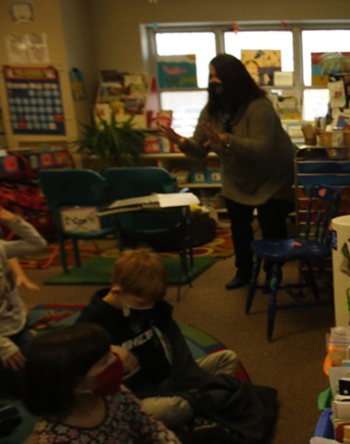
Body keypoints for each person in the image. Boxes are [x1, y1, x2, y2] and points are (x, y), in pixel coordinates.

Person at [159, 53, 295, 290]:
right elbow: (200, 151)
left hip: (272, 175)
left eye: (217, 77)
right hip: (237, 176)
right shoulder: (213, 111)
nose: (213, 82)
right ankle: (243, 270)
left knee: (270, 223)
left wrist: (227, 139)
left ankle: (273, 271)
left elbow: (261, 148)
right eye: (211, 77)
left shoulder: (259, 106)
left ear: (232, 78)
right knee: (239, 226)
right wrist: (180, 142)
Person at [76, 247, 239, 430]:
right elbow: (77, 371)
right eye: (141, 303)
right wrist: (112, 353)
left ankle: (197, 404)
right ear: (116, 290)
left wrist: (188, 375)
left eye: (152, 302)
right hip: (138, 397)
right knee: (176, 409)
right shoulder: (93, 321)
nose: (149, 307)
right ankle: (198, 405)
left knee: (228, 358)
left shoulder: (148, 301)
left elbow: (177, 344)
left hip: (169, 378)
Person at [22, 322, 180, 443]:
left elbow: (150, 427)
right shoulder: (56, 438)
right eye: (104, 361)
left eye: (111, 353)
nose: (116, 361)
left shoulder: (115, 394)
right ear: (74, 385)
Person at [0, 205, 48, 398]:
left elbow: (38, 244)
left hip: (17, 326)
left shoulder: (1, 248)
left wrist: (13, 220)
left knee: (41, 372)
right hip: (2, 339)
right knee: (17, 390)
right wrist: (3, 346)